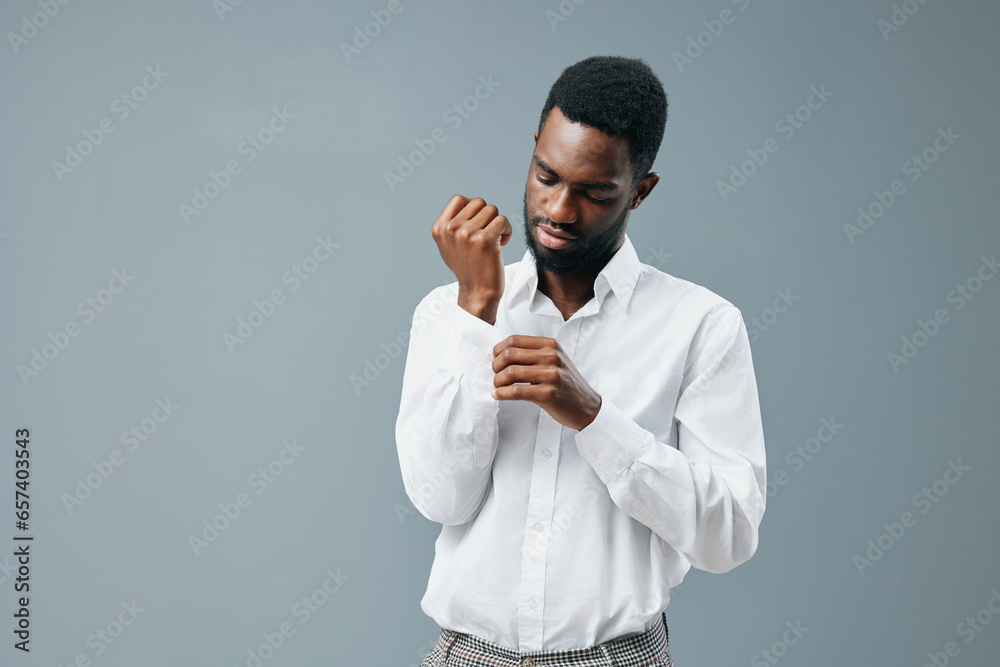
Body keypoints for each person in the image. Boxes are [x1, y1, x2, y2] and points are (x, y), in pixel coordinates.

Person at [396, 55, 766, 667]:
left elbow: (728, 536)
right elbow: (441, 500)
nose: (561, 211)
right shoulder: (449, 313)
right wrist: (477, 310)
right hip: (469, 654)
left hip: (617, 656)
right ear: (533, 153)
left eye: (595, 192)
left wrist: (596, 419)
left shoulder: (702, 325)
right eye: (546, 177)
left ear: (640, 191)